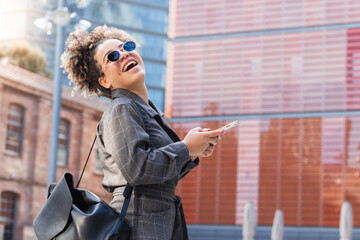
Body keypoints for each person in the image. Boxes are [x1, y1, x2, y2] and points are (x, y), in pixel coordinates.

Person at [61, 25, 224, 240]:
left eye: (126, 46)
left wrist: (192, 151)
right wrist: (185, 148)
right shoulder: (122, 108)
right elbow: (138, 169)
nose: (124, 54)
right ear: (105, 81)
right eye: (112, 56)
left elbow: (159, 177)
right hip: (137, 223)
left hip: (157, 221)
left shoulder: (146, 109)